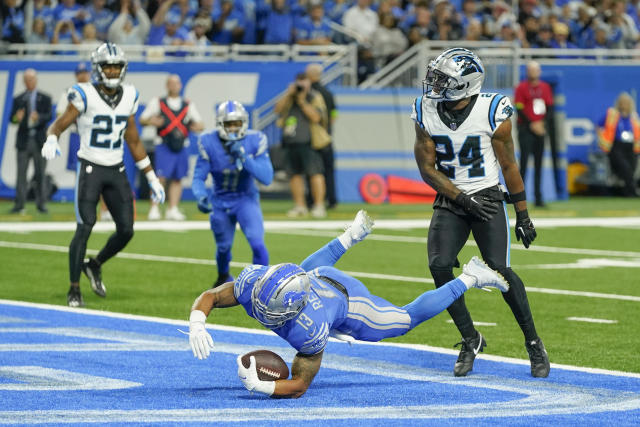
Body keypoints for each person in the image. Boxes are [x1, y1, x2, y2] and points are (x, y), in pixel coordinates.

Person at [187, 210, 509, 398]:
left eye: (269, 310)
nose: (258, 309)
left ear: (291, 311)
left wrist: (264, 387)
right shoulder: (252, 282)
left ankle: (470, 276)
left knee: (403, 321)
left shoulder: (307, 328)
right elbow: (212, 296)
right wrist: (197, 323)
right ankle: (351, 235)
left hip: (347, 300)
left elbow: (299, 385)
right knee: (306, 269)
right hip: (316, 275)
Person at [412, 48, 549, 378]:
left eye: (443, 79)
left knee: (500, 270)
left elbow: (509, 164)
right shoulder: (424, 109)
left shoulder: (492, 109)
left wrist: (523, 213)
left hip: (487, 196)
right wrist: (460, 198)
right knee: (439, 265)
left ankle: (533, 343)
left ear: (465, 84)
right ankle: (470, 338)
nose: (434, 84)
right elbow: (427, 169)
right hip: (450, 196)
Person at [41, 42, 166, 308]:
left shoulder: (130, 95)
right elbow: (60, 123)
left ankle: (94, 264)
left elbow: (133, 140)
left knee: (127, 230)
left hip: (116, 168)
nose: (112, 71)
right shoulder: (83, 94)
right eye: (107, 66)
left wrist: (152, 177)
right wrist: (52, 137)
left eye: (116, 66)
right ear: (97, 69)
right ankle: (74, 289)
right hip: (90, 166)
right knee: (85, 226)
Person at [192, 100, 273, 288]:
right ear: (220, 124)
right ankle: (222, 277)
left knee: (257, 242)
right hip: (220, 200)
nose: (234, 128)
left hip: (246, 199)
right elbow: (198, 177)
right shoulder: (208, 141)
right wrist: (200, 195)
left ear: (244, 122)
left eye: (237, 123)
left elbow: (267, 177)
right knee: (223, 247)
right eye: (229, 124)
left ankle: (261, 285)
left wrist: (244, 157)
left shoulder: (256, 139)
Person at [139, 74, 204, 220]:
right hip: (163, 144)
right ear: (167, 86)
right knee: (160, 177)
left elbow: (200, 124)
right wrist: (152, 122)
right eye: (171, 83)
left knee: (177, 178)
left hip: (182, 145)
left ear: (180, 86)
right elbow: (143, 119)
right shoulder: (158, 102)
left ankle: (172, 208)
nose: (174, 86)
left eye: (177, 83)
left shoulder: (188, 104)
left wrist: (192, 126)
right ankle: (154, 208)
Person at [274, 72, 328, 218]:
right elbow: (277, 110)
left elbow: (317, 117)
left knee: (315, 173)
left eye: (304, 82)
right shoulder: (289, 97)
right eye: (299, 82)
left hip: (310, 142)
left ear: (309, 83)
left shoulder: (314, 97)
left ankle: (318, 205)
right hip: (291, 141)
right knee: (294, 175)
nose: (301, 85)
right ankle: (300, 206)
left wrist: (303, 101)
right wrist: (288, 94)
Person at [9, 68, 52, 214]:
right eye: (27, 80)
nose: (29, 82)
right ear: (23, 82)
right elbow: (12, 119)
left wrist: (38, 117)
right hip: (24, 140)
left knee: (40, 173)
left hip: (39, 140)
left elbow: (49, 116)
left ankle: (41, 204)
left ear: (36, 80)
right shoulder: (18, 99)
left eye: (31, 79)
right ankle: (19, 204)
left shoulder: (45, 98)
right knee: (21, 174)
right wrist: (17, 118)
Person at [514, 60, 553, 207]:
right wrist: (531, 124)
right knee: (523, 163)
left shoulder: (545, 87)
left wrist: (541, 124)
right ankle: (520, 197)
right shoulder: (521, 87)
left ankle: (538, 198)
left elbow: (550, 108)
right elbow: (519, 107)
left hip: (540, 129)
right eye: (530, 70)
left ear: (539, 72)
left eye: (535, 70)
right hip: (525, 129)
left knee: (538, 164)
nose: (533, 73)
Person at [305, 63, 338, 209]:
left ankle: (313, 200)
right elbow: (334, 114)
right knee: (328, 170)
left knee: (312, 171)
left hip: (311, 137)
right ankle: (332, 200)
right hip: (326, 137)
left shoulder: (308, 94)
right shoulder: (328, 93)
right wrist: (327, 128)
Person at [597, 92, 640, 197]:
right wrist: (602, 139)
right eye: (622, 102)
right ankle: (632, 192)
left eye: (626, 103)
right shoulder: (612, 114)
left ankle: (626, 190)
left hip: (631, 146)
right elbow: (599, 125)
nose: (624, 105)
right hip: (616, 146)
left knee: (631, 169)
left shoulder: (634, 116)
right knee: (624, 168)